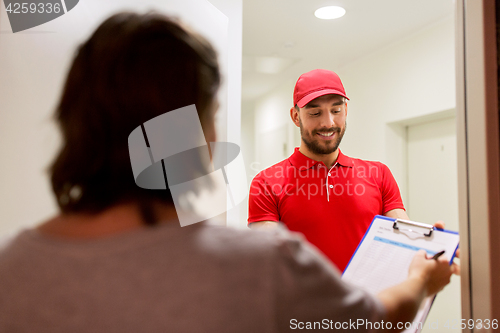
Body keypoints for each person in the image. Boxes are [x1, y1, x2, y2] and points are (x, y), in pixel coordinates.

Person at [0, 12, 454, 333]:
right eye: (211, 111)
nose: (329, 121)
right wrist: (421, 280)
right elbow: (375, 320)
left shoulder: (11, 270)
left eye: (337, 109)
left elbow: (395, 236)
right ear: (194, 129)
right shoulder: (259, 264)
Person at [248, 69, 415, 271]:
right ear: (295, 117)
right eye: (315, 113)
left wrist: (433, 249)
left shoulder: (378, 174)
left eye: (336, 111)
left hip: (367, 301)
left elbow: (406, 239)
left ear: (346, 110)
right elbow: (267, 262)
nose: (328, 123)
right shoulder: (266, 182)